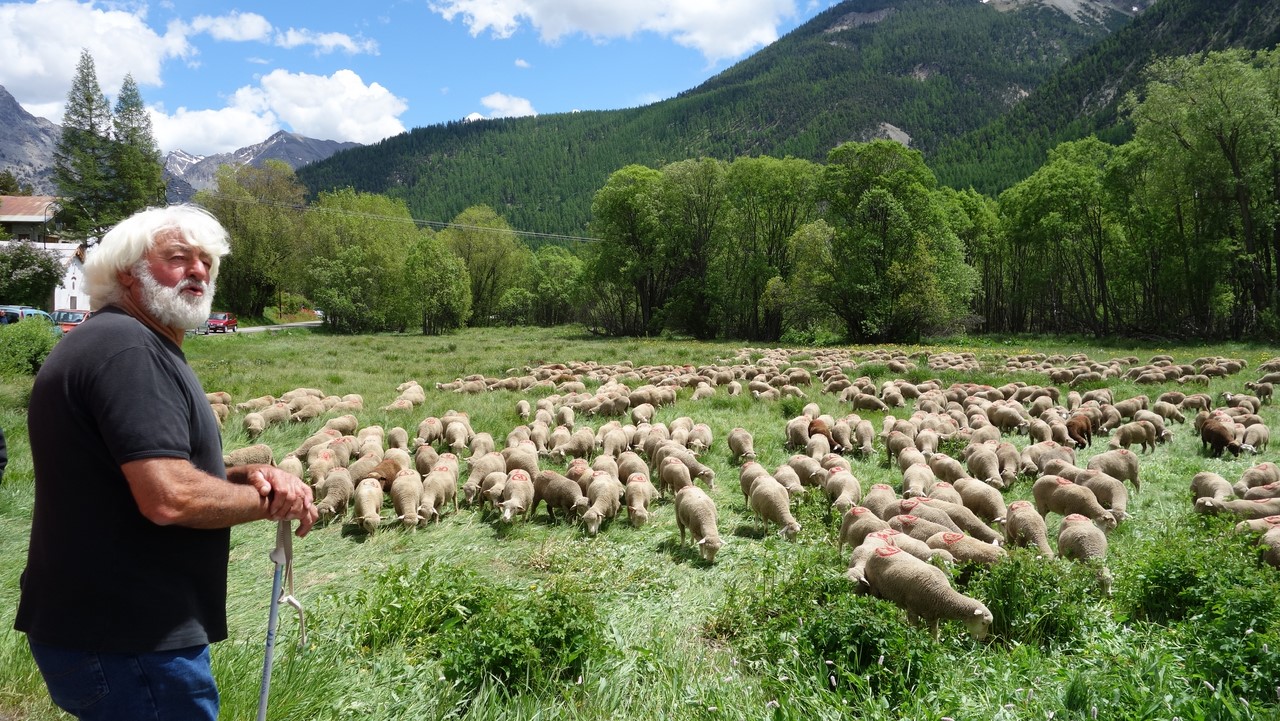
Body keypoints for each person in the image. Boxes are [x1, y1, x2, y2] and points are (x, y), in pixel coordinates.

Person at [14, 204, 318, 720]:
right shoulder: (127, 349)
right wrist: (267, 502)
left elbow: (138, 475)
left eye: (206, 262)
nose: (197, 271)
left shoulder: (123, 342)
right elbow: (169, 497)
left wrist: (246, 475)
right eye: (177, 258)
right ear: (126, 272)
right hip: (131, 641)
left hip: (108, 633)